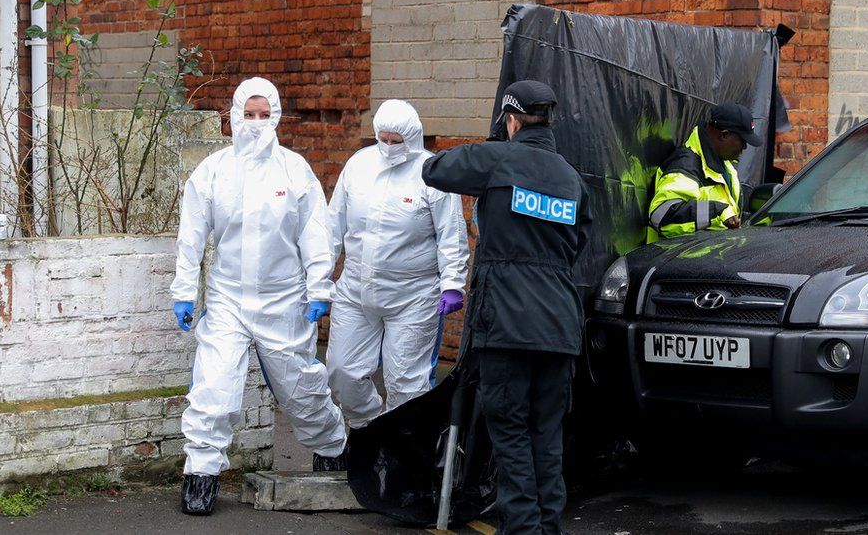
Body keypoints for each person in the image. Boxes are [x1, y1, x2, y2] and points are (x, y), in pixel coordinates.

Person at [170, 77, 346, 515]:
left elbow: (314, 234)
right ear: (233, 116)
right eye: (247, 115)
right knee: (215, 386)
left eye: (263, 115)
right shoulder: (212, 171)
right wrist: (184, 291)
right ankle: (201, 472)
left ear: (277, 117)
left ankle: (332, 447)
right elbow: (191, 237)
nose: (254, 124)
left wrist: (319, 286)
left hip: (283, 300)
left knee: (301, 388)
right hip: (228, 299)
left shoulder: (294, 169)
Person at [422, 80, 592, 534]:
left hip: (508, 323)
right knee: (546, 432)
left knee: (511, 430)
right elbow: (581, 242)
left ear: (511, 120)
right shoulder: (571, 178)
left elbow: (435, 170)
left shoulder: (498, 159)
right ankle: (547, 526)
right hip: (559, 324)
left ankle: (522, 529)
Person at [324, 99, 469, 436]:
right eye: (383, 140)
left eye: (396, 141)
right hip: (356, 288)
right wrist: (319, 275)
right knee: (342, 371)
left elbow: (451, 234)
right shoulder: (359, 166)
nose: (389, 147)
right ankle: (368, 431)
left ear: (412, 138)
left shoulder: (431, 173)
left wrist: (452, 283)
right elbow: (333, 226)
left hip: (413, 295)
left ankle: (401, 452)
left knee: (406, 381)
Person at [647, 101, 763, 242]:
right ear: (724, 135)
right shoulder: (685, 168)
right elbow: (661, 216)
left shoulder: (725, 165)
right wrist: (717, 211)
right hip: (679, 261)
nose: (744, 148)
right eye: (743, 141)